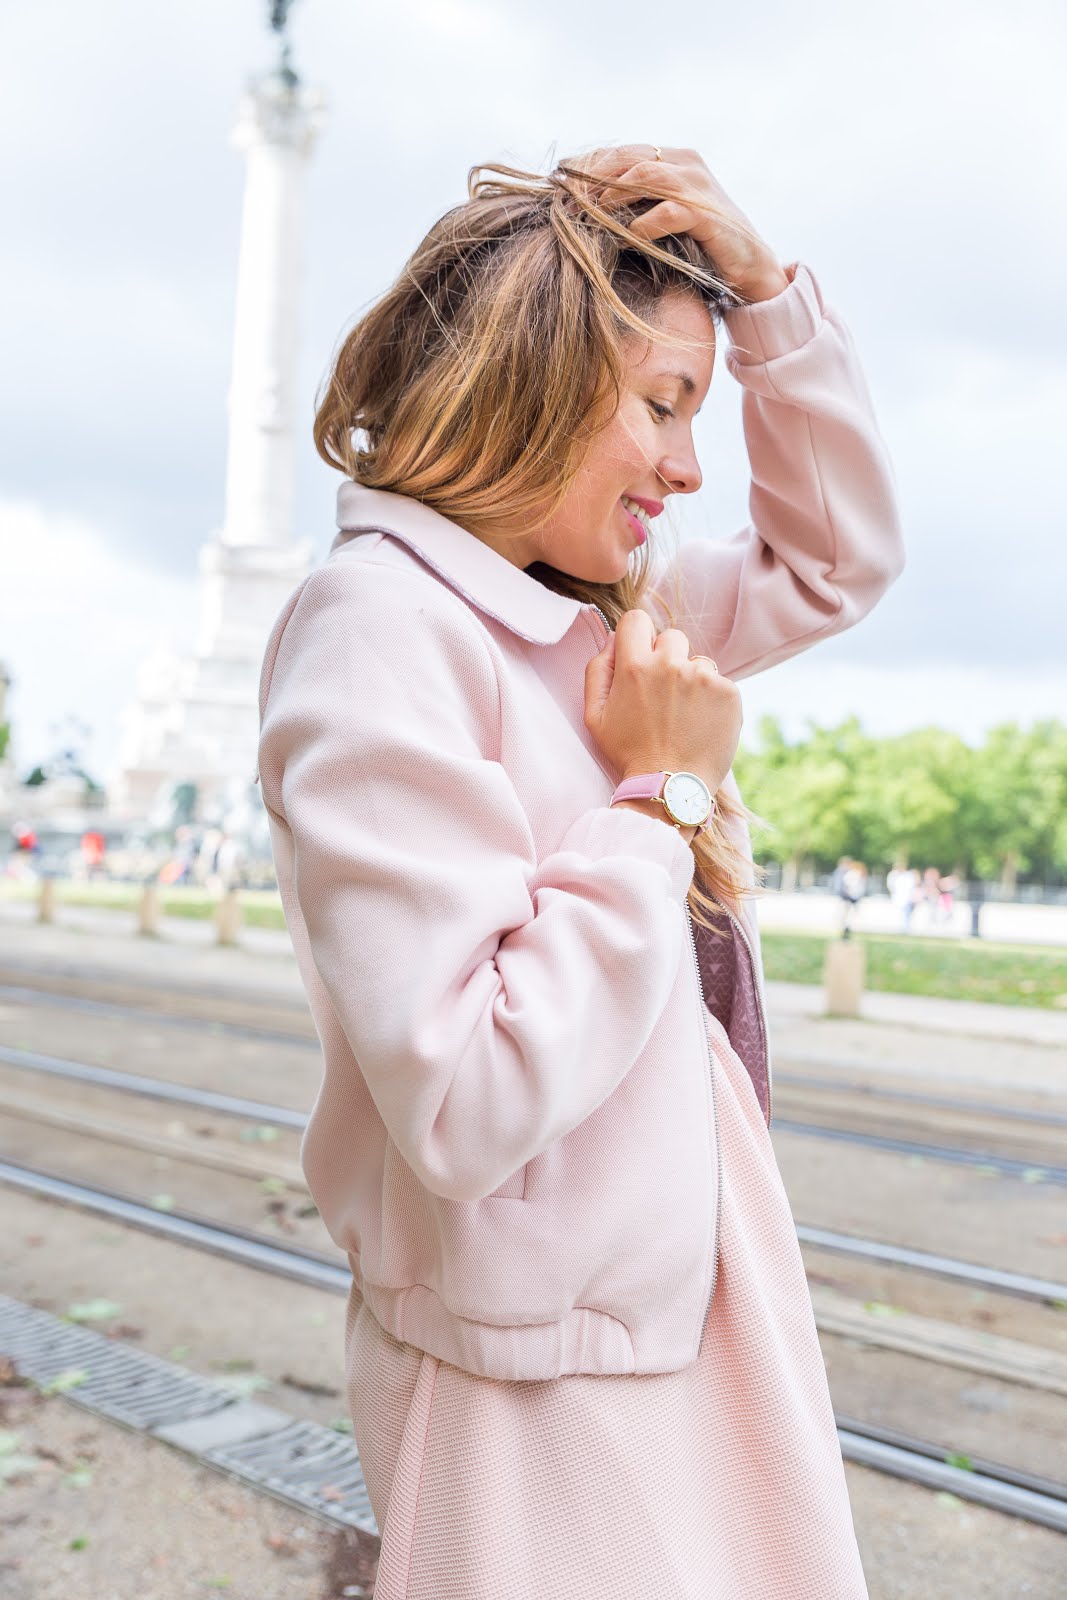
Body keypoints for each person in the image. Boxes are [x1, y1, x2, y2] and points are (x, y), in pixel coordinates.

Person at [257, 145, 904, 1599]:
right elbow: (468, 1087)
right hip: (534, 1373)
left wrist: (765, 302)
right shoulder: (382, 632)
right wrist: (660, 794)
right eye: (664, 405)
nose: (690, 466)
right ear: (526, 383)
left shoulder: (592, 605)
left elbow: (839, 563)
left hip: (683, 1295)